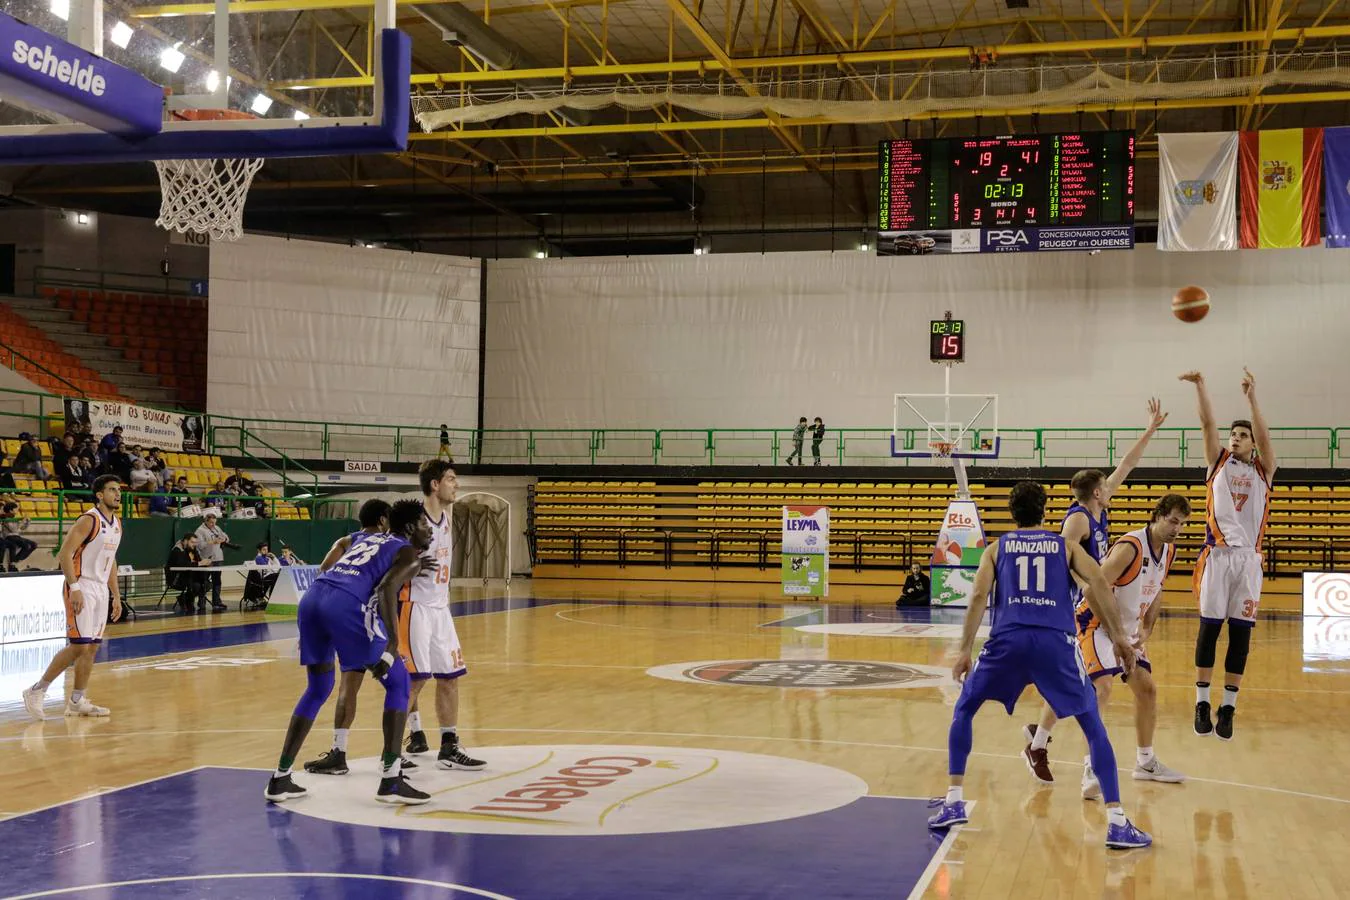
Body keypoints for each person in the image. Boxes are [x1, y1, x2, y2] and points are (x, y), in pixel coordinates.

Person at [927, 481, 1152, 850]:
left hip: (1008, 640)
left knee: (965, 708)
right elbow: (1097, 582)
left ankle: (953, 799)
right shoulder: (1064, 546)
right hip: (1055, 643)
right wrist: (1118, 638)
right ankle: (1115, 819)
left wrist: (965, 649)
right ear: (1045, 511)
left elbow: (980, 594)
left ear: (1012, 514)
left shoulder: (997, 548)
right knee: (1092, 724)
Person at [1021, 399, 1167, 763]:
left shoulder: (1098, 506)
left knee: (1075, 679)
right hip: (1077, 607)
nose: (1112, 484)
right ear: (1097, 492)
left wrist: (1149, 431)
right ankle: (1066, 754)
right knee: (1091, 683)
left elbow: (1126, 465)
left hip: (1094, 601)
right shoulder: (1078, 520)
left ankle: (1038, 738)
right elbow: (1064, 559)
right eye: (1106, 484)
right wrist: (1088, 585)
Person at [264, 498, 433, 805]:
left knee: (319, 687)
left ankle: (280, 777)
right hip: (345, 606)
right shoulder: (407, 552)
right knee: (399, 682)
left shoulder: (360, 536)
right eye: (425, 524)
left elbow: (331, 565)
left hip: (313, 599)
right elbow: (385, 590)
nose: (430, 531)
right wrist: (391, 646)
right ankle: (391, 779)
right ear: (409, 527)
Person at [1023, 494, 1192, 795]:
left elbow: (1156, 591)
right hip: (1095, 623)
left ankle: (1145, 761)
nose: (1177, 529)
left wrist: (1147, 626)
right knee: (1101, 688)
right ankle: (1092, 766)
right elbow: (1091, 590)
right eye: (1173, 521)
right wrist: (1116, 637)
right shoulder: (1130, 547)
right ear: (1157, 516)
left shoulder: (1168, 551)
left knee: (1147, 689)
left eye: (1182, 524)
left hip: (1124, 629)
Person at [1182, 368, 1275, 742]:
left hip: (1249, 562)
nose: (1235, 439)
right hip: (1217, 557)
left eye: (1242, 435)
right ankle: (1202, 701)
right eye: (1233, 435)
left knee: (1241, 637)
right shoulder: (1218, 462)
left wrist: (1252, 398)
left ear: (1253, 443)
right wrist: (1202, 385)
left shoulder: (1265, 471)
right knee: (1209, 630)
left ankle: (1229, 707)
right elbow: (1207, 424)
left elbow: (1266, 438)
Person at [303, 500, 414, 776]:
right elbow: (388, 585)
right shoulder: (390, 543)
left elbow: (324, 570)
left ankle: (339, 752)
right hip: (364, 618)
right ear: (383, 519)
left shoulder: (346, 541)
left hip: (335, 612)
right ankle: (392, 761)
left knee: (347, 686)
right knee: (399, 683)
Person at [403, 460, 486, 770]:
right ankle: (392, 753)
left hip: (441, 608)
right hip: (415, 608)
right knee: (415, 681)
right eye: (451, 479)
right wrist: (412, 567)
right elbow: (392, 562)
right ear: (435, 485)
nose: (457, 484)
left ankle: (449, 746)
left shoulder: (448, 517)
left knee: (450, 678)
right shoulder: (415, 522)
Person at [21, 475, 123, 720]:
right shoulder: (89, 520)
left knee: (91, 648)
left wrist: (116, 596)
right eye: (112, 490)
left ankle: (77, 701)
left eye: (118, 490)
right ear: (99, 494)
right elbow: (65, 554)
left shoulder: (117, 523)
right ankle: (37, 690)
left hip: (100, 589)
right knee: (79, 646)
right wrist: (74, 587)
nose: (117, 494)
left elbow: (111, 563)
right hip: (82, 584)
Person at [194, 512, 233, 612]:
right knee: (204, 581)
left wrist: (225, 539)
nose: (213, 524)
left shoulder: (217, 528)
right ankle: (201, 602)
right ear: (206, 521)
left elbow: (226, 537)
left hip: (218, 558)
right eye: (211, 523)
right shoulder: (200, 531)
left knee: (217, 580)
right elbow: (200, 545)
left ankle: (217, 602)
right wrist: (213, 542)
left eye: (214, 522)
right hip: (206, 559)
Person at [166, 533, 211, 614]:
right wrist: (199, 563)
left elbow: (198, 561)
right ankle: (188, 600)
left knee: (206, 583)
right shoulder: (177, 550)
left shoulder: (193, 550)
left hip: (189, 577)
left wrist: (206, 562)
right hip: (177, 578)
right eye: (192, 542)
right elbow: (183, 564)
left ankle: (188, 599)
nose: (194, 545)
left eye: (195, 543)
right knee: (196, 585)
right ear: (186, 541)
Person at [1, 501, 37, 571]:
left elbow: (22, 528)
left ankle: (15, 560)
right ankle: (13, 563)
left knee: (34, 545)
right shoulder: (6, 518)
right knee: (27, 546)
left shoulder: (14, 518)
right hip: (10, 537)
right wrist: (22, 521)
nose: (17, 510)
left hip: (17, 536)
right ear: (11, 510)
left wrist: (27, 522)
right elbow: (13, 530)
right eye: (15, 509)